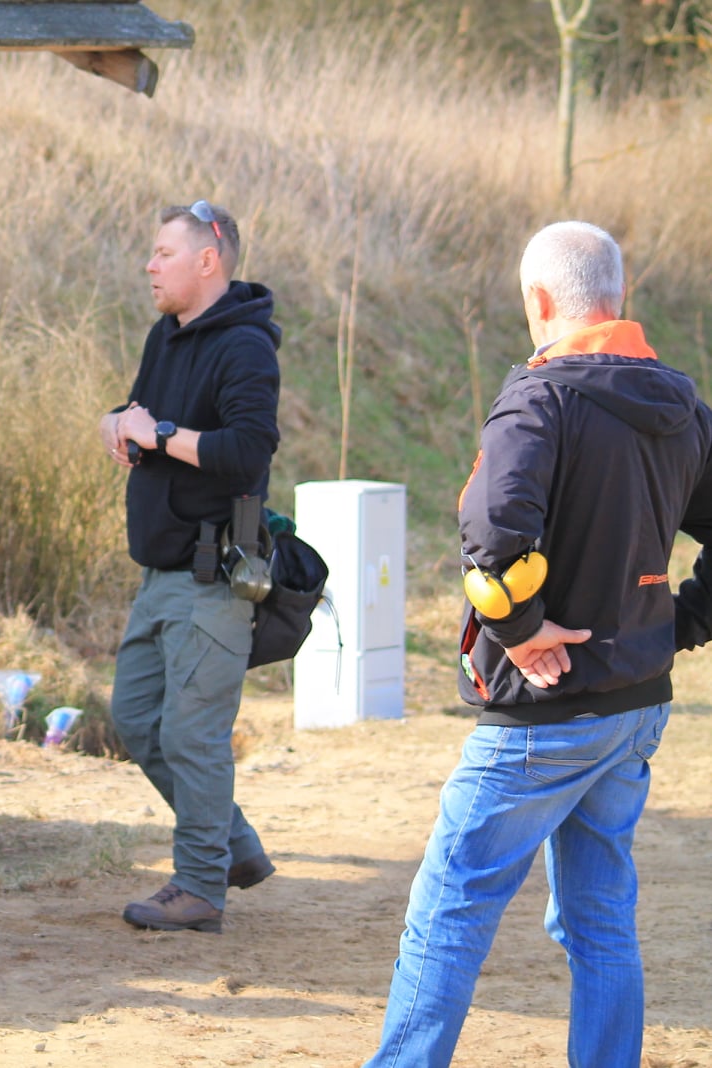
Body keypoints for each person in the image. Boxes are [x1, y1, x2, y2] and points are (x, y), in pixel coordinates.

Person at [368, 221, 712, 1067]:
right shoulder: (684, 405)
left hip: (543, 716)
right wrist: (680, 624)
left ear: (540, 301)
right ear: (618, 297)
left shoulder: (541, 395)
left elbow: (490, 530)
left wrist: (519, 631)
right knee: (598, 920)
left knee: (449, 905)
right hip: (634, 709)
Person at [98, 200, 281, 933]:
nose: (150, 264)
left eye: (163, 252)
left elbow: (246, 451)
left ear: (208, 260)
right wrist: (119, 421)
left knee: (193, 736)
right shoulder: (165, 336)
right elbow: (143, 413)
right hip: (161, 573)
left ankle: (201, 885)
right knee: (138, 717)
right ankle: (231, 845)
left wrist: (161, 434)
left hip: (214, 576)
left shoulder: (246, 348)